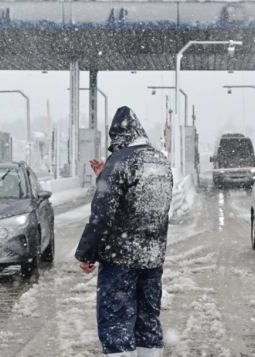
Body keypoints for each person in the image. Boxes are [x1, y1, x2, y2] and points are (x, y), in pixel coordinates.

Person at [75, 106, 173, 357]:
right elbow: (140, 201)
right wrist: (104, 177)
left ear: (119, 138)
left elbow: (102, 215)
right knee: (147, 321)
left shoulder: (119, 162)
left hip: (120, 259)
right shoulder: (160, 161)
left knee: (116, 324)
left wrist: (87, 253)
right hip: (152, 257)